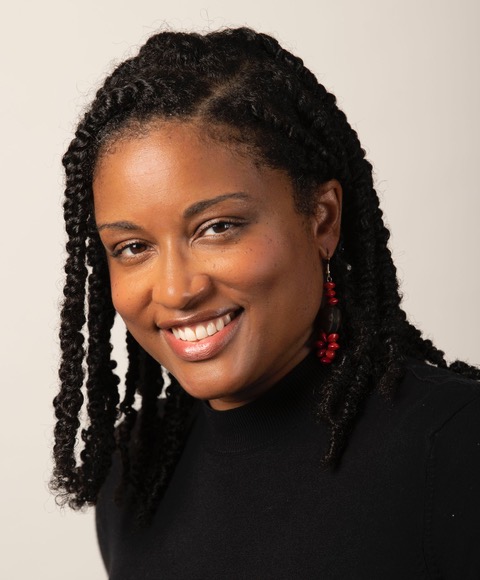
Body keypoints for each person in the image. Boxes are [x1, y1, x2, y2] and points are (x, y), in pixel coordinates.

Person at [52, 27, 480, 579]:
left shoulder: (456, 446)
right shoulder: (133, 470)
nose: (178, 290)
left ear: (321, 218)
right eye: (133, 247)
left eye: (217, 227)